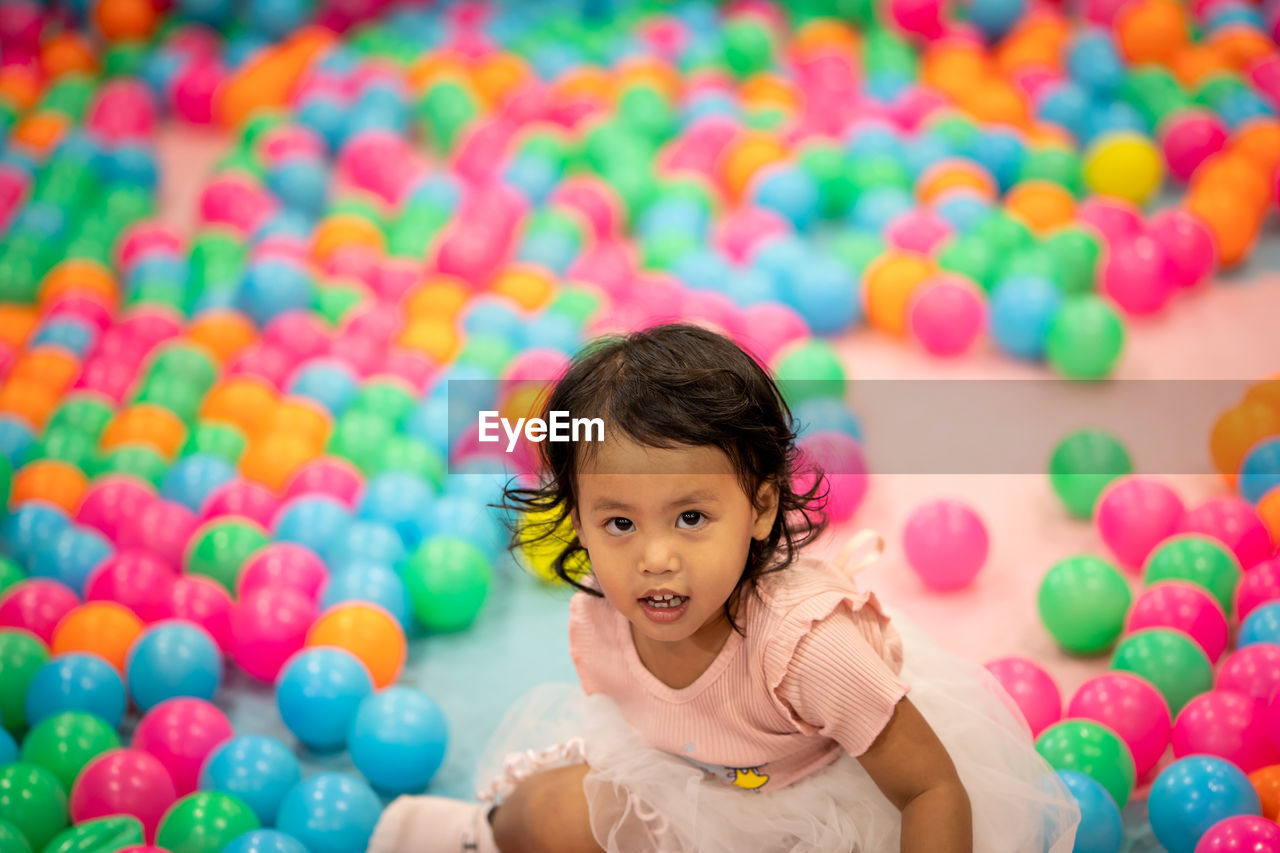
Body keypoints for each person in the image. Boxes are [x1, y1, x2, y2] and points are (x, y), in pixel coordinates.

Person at [368, 323, 1080, 853]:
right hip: (699, 778)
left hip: (824, 799)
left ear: (761, 508)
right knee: (553, 814)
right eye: (618, 521)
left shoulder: (810, 649)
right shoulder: (601, 614)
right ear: (579, 522)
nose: (654, 557)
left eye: (690, 517)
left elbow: (931, 787)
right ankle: (479, 835)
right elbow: (651, 742)